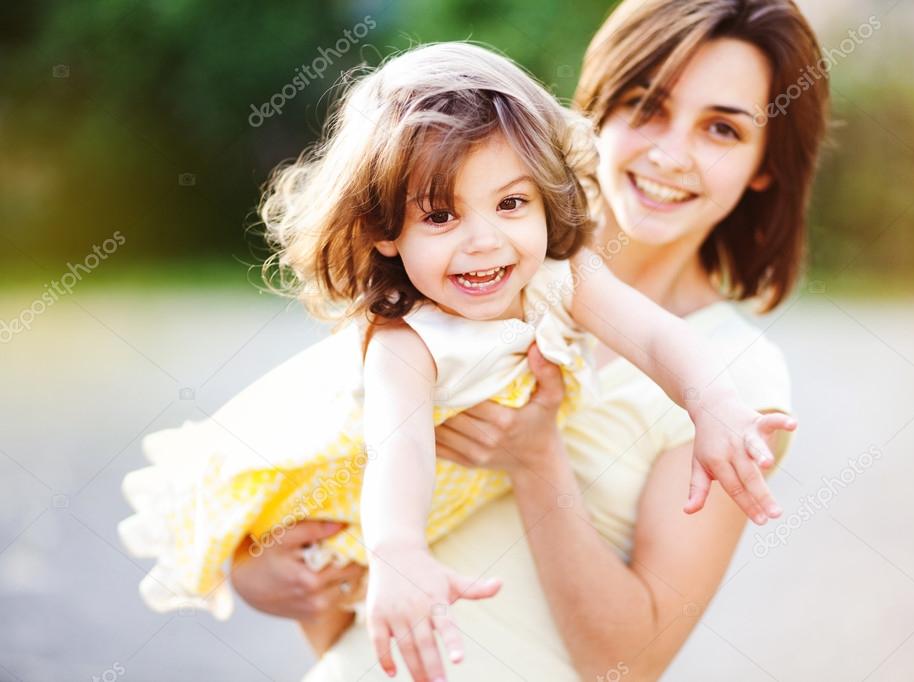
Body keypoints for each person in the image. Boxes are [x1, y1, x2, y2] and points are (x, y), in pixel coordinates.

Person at [118, 39, 798, 679]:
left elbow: (655, 337)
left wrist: (710, 402)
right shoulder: (404, 340)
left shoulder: (561, 276)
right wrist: (396, 555)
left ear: (545, 195)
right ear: (384, 231)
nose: (483, 242)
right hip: (355, 528)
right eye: (441, 216)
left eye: (509, 203)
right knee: (288, 554)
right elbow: (398, 452)